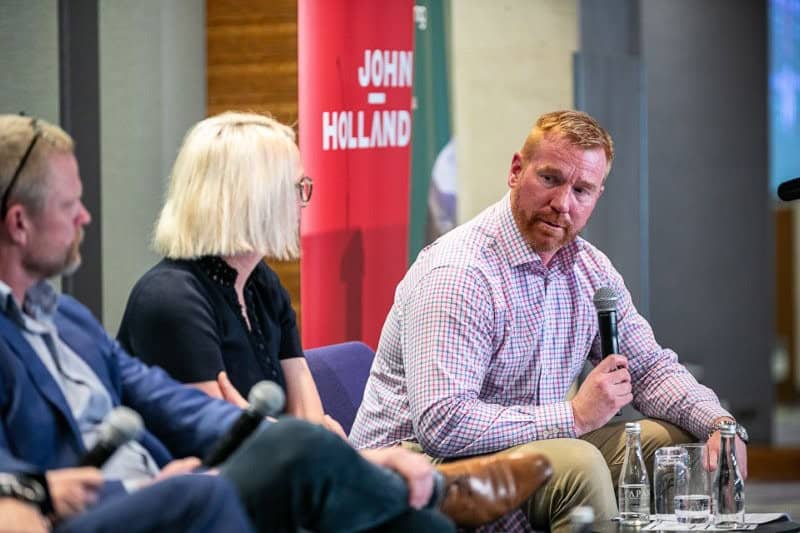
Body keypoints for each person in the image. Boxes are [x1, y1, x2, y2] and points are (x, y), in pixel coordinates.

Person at [0, 113, 549, 531]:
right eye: (70, 205)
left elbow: (178, 406)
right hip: (114, 503)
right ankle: (442, 491)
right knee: (280, 460)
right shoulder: (167, 298)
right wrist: (99, 490)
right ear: (20, 224)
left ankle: (435, 499)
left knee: (405, 519)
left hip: (174, 483)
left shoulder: (67, 318)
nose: (85, 216)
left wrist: (318, 445)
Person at [350, 110, 749, 533]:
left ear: (597, 196)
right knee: (579, 465)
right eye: (550, 179)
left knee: (675, 444)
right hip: (412, 470)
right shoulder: (460, 273)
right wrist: (574, 416)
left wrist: (720, 424)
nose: (563, 203)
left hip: (520, 450)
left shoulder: (590, 269)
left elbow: (650, 369)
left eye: (581, 190)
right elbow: (443, 424)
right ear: (516, 171)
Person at [116, 112, 338, 432]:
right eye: (295, 187)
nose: (303, 201)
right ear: (252, 200)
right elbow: (222, 437)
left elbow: (308, 419)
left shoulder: (261, 283)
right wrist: (305, 437)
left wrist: (299, 434)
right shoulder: (169, 299)